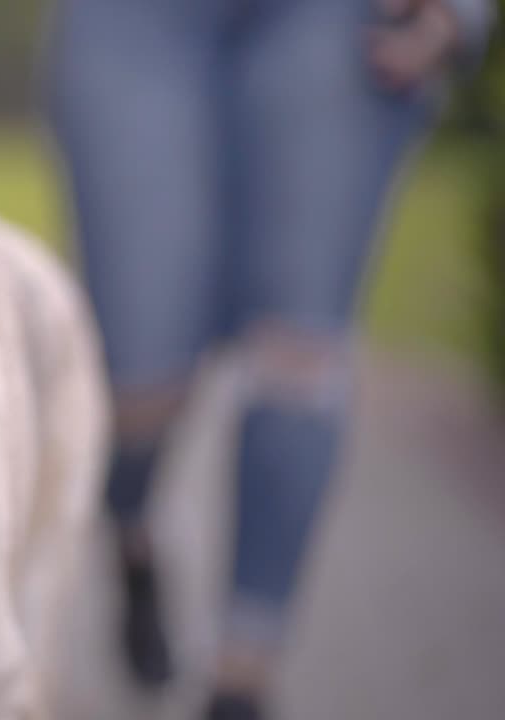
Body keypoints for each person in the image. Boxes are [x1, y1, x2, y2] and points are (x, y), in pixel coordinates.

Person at [46, 0, 494, 718]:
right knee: (136, 378)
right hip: (136, 23)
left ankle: (242, 677)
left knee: (299, 356)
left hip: (334, 19)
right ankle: (132, 534)